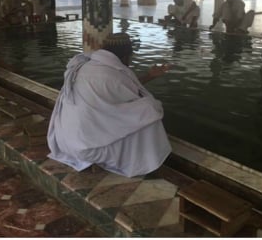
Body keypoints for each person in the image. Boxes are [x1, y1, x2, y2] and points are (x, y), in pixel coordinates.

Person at [47, 33, 173, 177]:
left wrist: (150, 75)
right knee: (150, 111)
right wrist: (153, 104)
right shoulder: (114, 75)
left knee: (139, 113)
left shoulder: (84, 66)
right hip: (88, 149)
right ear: (126, 55)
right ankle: (147, 161)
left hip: (66, 142)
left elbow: (121, 88)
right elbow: (136, 97)